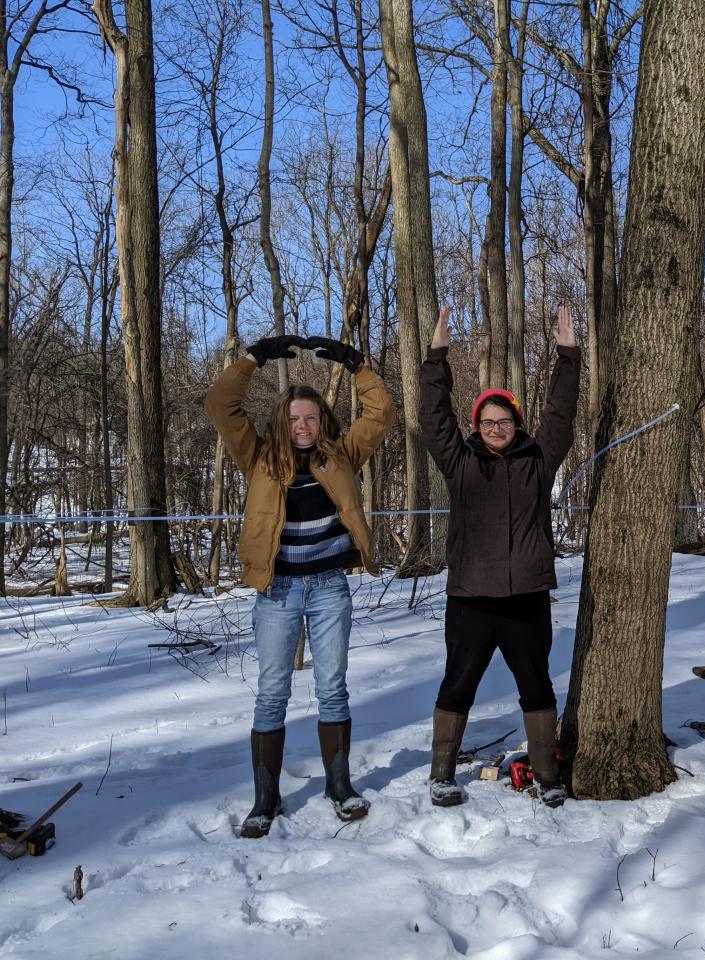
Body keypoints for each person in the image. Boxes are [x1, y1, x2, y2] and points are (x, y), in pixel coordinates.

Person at [205, 334, 395, 838]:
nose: (303, 426)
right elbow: (220, 405)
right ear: (281, 424)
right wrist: (255, 359)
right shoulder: (260, 458)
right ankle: (264, 799)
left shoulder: (343, 455)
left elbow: (380, 413)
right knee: (272, 693)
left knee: (332, 688)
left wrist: (357, 366)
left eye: (310, 418)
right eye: (294, 419)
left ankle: (339, 786)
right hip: (278, 594)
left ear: (323, 421)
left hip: (330, 588)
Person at [420, 304, 580, 808]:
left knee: (536, 685)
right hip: (470, 597)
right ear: (477, 425)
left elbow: (561, 413)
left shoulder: (538, 459)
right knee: (458, 682)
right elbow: (432, 416)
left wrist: (569, 355)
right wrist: (436, 356)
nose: (496, 427)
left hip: (526, 596)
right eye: (488, 421)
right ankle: (442, 773)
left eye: (504, 420)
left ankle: (549, 774)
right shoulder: (459, 461)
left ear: (516, 422)